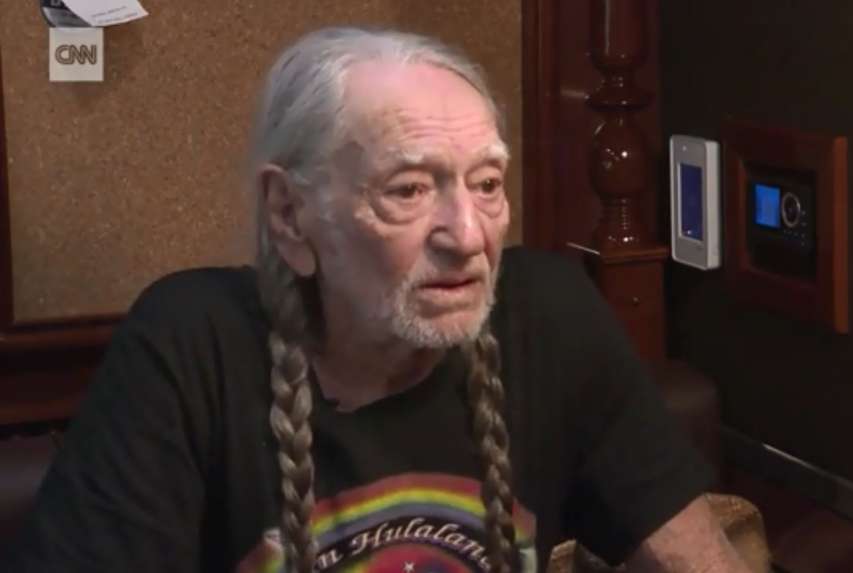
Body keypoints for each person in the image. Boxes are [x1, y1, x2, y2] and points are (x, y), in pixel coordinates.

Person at [8, 27, 751, 573]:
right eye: (409, 189)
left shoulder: (548, 314)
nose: (468, 235)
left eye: (487, 184)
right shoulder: (188, 346)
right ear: (290, 216)